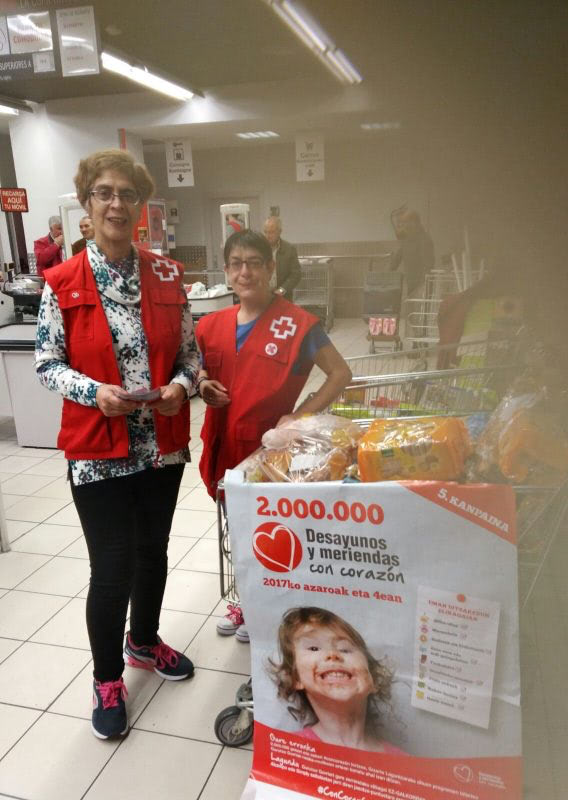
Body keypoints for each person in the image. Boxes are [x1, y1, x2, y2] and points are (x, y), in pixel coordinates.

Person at [34, 149, 200, 740]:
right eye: (104, 192)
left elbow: (190, 353)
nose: (115, 203)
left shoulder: (166, 274)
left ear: (141, 206)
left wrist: (184, 385)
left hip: (162, 447)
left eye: (127, 193)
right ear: (88, 202)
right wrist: (90, 391)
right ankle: (107, 677)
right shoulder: (63, 282)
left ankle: (144, 642)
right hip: (98, 450)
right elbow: (47, 362)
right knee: (112, 568)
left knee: (153, 553)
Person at [195, 229, 351, 641]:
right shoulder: (210, 326)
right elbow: (202, 372)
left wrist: (299, 416)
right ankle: (246, 603)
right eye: (236, 264)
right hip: (225, 445)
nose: (245, 271)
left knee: (275, 535)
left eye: (254, 263)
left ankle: (275, 608)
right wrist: (203, 383)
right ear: (227, 272)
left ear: (270, 268)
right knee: (236, 530)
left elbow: (340, 373)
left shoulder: (298, 325)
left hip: (273, 454)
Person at [270, 606, 405, 754]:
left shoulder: (402, 761)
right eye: (314, 648)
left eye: (344, 649)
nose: (333, 654)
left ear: (374, 679)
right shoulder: (289, 750)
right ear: (295, 678)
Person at [389, 208, 434, 299]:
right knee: (412, 308)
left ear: (414, 222)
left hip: (422, 285)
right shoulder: (407, 239)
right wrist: (387, 273)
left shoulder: (424, 239)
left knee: (418, 310)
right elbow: (397, 258)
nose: (403, 225)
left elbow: (428, 265)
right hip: (411, 283)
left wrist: (424, 286)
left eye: (405, 222)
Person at [263, 216, 302, 297]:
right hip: (263, 296)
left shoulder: (289, 249)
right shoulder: (259, 249)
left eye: (271, 232)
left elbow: (296, 274)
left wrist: (282, 290)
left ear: (279, 231)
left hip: (283, 296)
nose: (267, 235)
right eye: (265, 232)